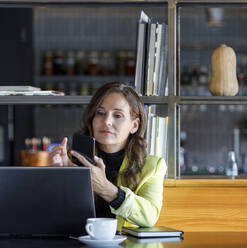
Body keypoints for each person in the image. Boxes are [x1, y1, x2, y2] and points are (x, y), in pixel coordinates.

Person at [50, 82, 167, 229]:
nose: (107, 122)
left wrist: (106, 188)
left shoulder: (152, 166)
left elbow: (149, 217)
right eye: (100, 113)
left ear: (134, 125)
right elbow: (53, 216)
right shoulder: (69, 158)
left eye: (118, 115)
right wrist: (59, 176)